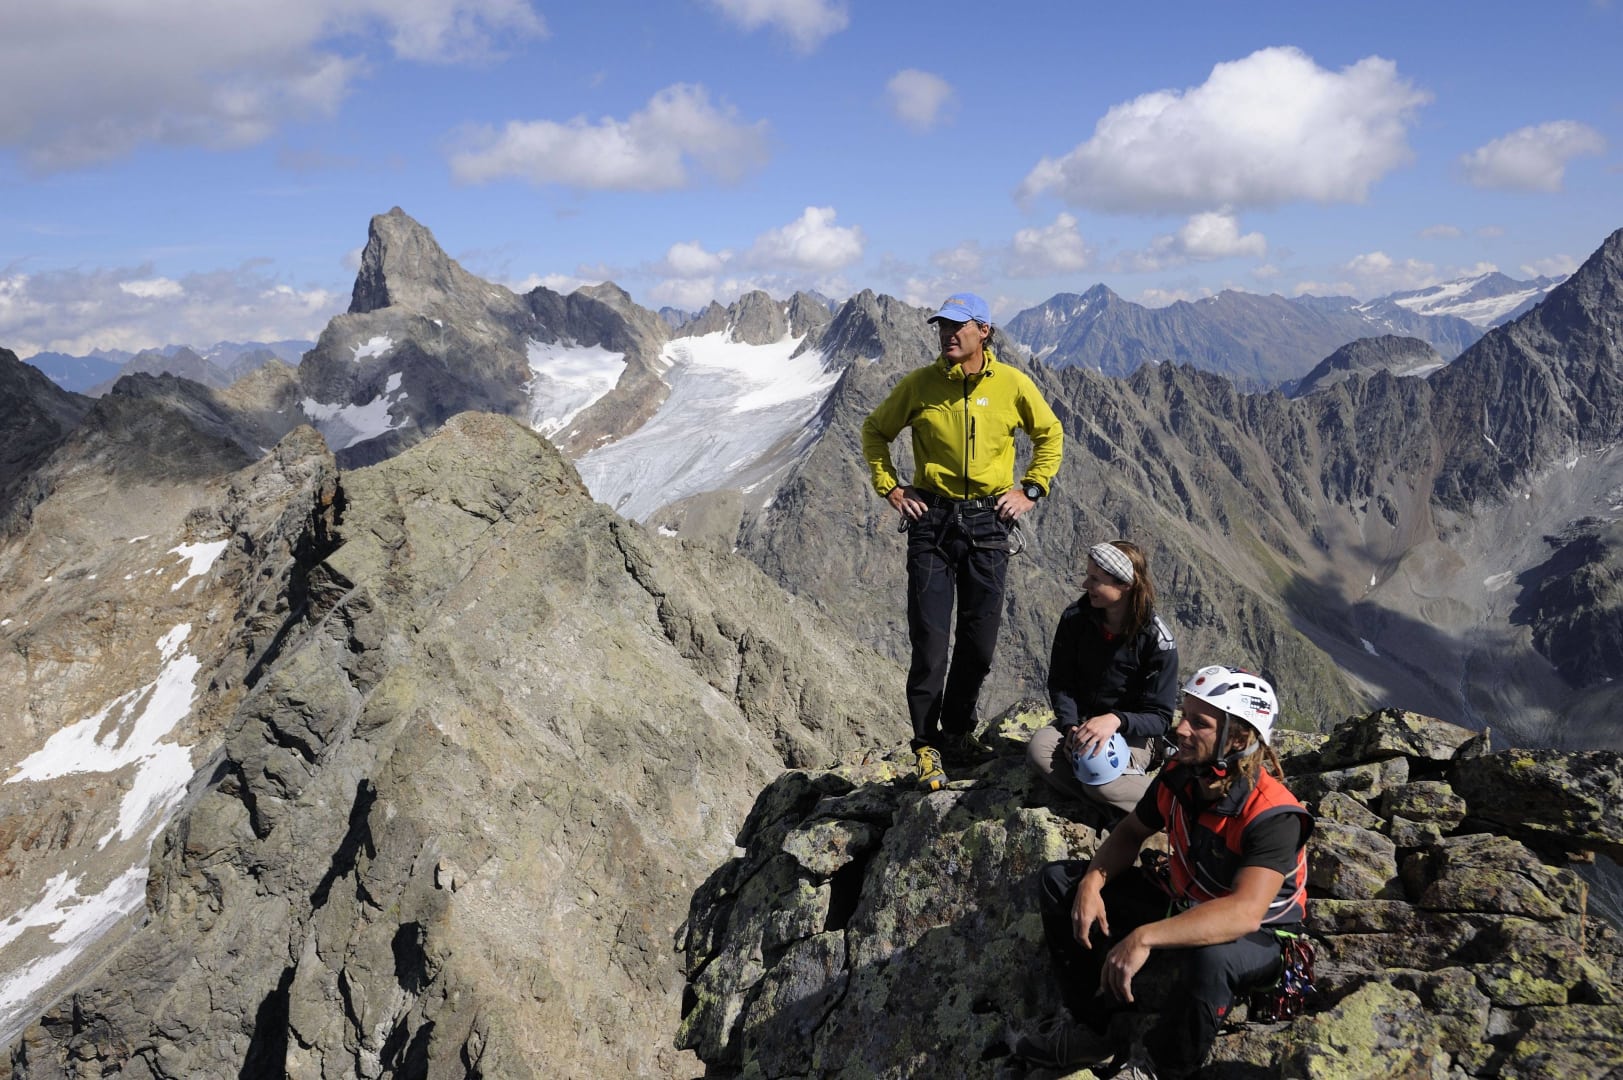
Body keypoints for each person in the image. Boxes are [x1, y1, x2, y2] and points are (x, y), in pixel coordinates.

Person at [1015, 665, 1314, 1079]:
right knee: (1059, 882)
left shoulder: (1273, 815)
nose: (1181, 729)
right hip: (1185, 899)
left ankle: (1163, 1067)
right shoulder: (1179, 776)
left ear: (1238, 737)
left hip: (1260, 936)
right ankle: (1092, 1028)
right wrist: (1091, 883)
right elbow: (1131, 832)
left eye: (1199, 722)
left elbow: (1244, 913)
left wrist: (1144, 937)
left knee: (1213, 958)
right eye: (1184, 715)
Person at [861, 292, 1063, 791]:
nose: (947, 334)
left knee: (979, 644)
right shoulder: (920, 384)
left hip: (990, 524)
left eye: (957, 326)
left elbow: (1050, 434)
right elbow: (875, 431)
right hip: (932, 523)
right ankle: (926, 746)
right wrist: (891, 487)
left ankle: (956, 732)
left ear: (984, 331)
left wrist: (1031, 489)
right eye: (942, 326)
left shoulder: (1013, 384)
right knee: (930, 643)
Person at [1028, 539, 1178, 818]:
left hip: (1133, 733)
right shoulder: (1075, 619)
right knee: (1040, 749)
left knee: (1098, 775)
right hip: (1083, 723)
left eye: (1095, 579)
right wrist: (1070, 726)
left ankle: (1173, 810)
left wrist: (1116, 720)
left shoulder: (1156, 639)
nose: (1085, 585)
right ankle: (1111, 806)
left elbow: (1160, 717)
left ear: (1125, 584)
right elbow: (1061, 682)